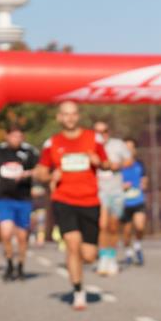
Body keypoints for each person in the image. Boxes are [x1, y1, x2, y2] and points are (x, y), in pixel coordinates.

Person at [35, 101, 114, 310]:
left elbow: (108, 164)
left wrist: (99, 161)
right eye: (65, 114)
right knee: (72, 243)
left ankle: (78, 261)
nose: (69, 118)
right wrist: (51, 174)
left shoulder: (93, 138)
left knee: (88, 255)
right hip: (64, 199)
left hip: (90, 200)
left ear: (78, 116)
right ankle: (79, 291)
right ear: (59, 118)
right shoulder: (52, 143)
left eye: (73, 114)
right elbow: (40, 172)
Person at [0, 125, 39, 282]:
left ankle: (20, 266)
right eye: (14, 136)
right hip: (4, 198)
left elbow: (40, 170)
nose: (17, 139)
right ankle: (9, 263)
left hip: (23, 199)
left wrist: (26, 174)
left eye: (19, 136)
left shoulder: (29, 153)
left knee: (22, 237)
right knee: (6, 233)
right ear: (7, 136)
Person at [93, 120, 131, 275]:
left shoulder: (117, 144)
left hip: (116, 190)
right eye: (98, 132)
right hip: (99, 189)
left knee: (113, 225)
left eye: (104, 131)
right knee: (103, 225)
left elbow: (129, 160)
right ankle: (103, 258)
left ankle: (112, 257)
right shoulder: (90, 145)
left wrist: (119, 164)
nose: (101, 135)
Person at [120, 138, 148, 267]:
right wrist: (121, 186)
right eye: (126, 148)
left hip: (138, 201)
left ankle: (137, 245)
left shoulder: (140, 165)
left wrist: (144, 183)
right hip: (123, 203)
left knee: (140, 226)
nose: (129, 150)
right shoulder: (118, 166)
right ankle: (128, 252)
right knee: (126, 232)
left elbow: (145, 180)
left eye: (131, 147)